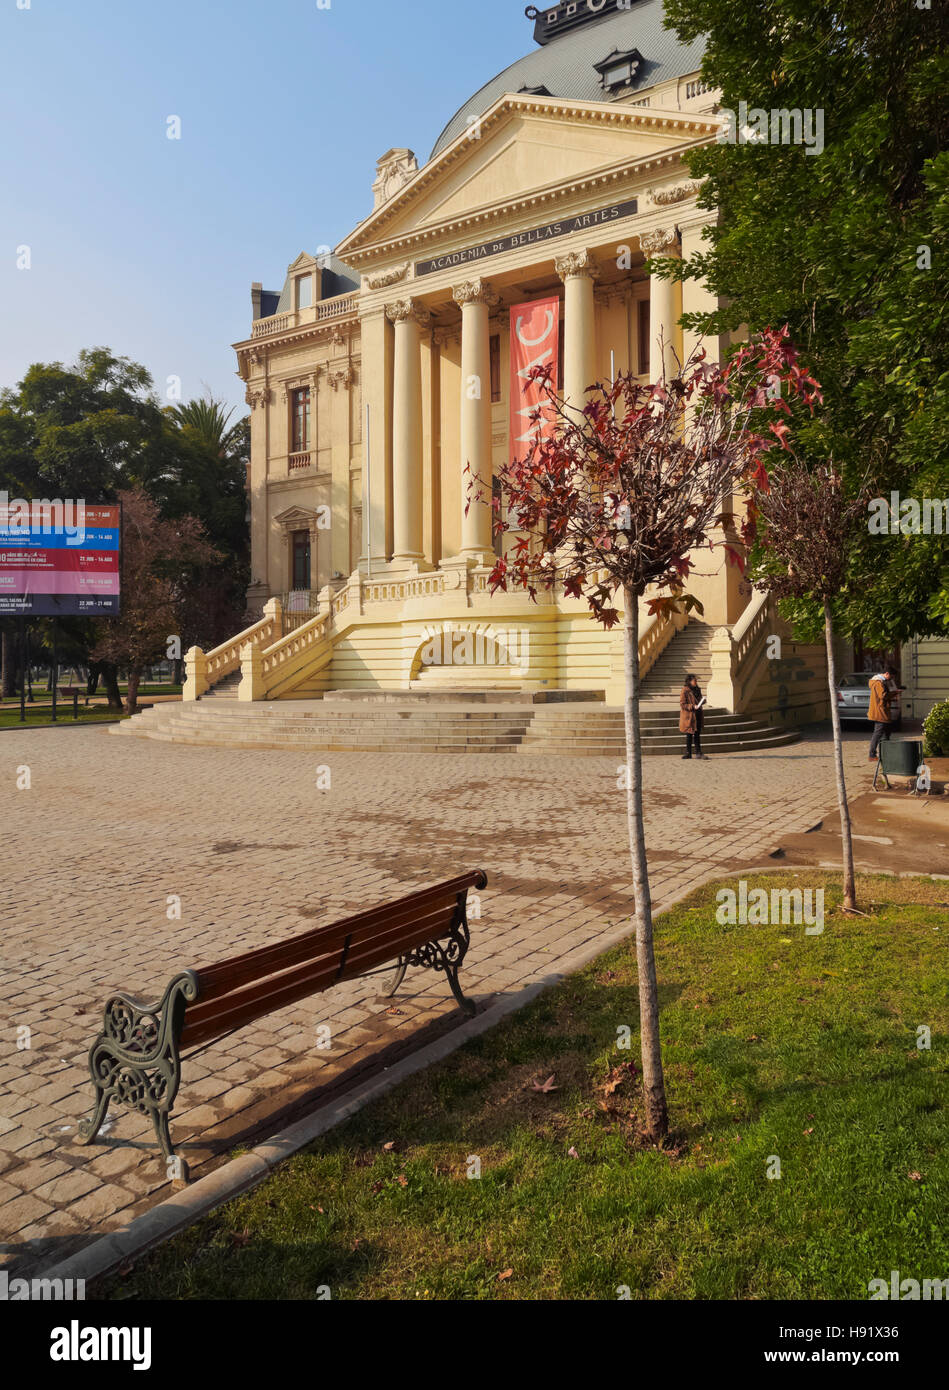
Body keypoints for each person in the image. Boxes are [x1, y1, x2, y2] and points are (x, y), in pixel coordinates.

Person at [868, 666, 895, 762]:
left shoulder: (879, 682)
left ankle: (886, 752)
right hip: (880, 712)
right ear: (887, 673)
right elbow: (883, 696)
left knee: (886, 731)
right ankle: (872, 754)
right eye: (891, 676)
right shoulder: (878, 683)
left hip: (881, 711)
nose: (892, 678)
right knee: (878, 733)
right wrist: (895, 693)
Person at [680, 673, 708, 760]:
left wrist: (702, 701)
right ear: (689, 681)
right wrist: (692, 706)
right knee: (689, 734)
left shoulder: (697, 689)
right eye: (694, 680)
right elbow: (682, 704)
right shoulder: (685, 690)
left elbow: (699, 699)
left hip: (698, 714)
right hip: (689, 716)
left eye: (696, 680)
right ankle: (688, 753)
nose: (696, 682)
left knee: (697, 734)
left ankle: (698, 752)